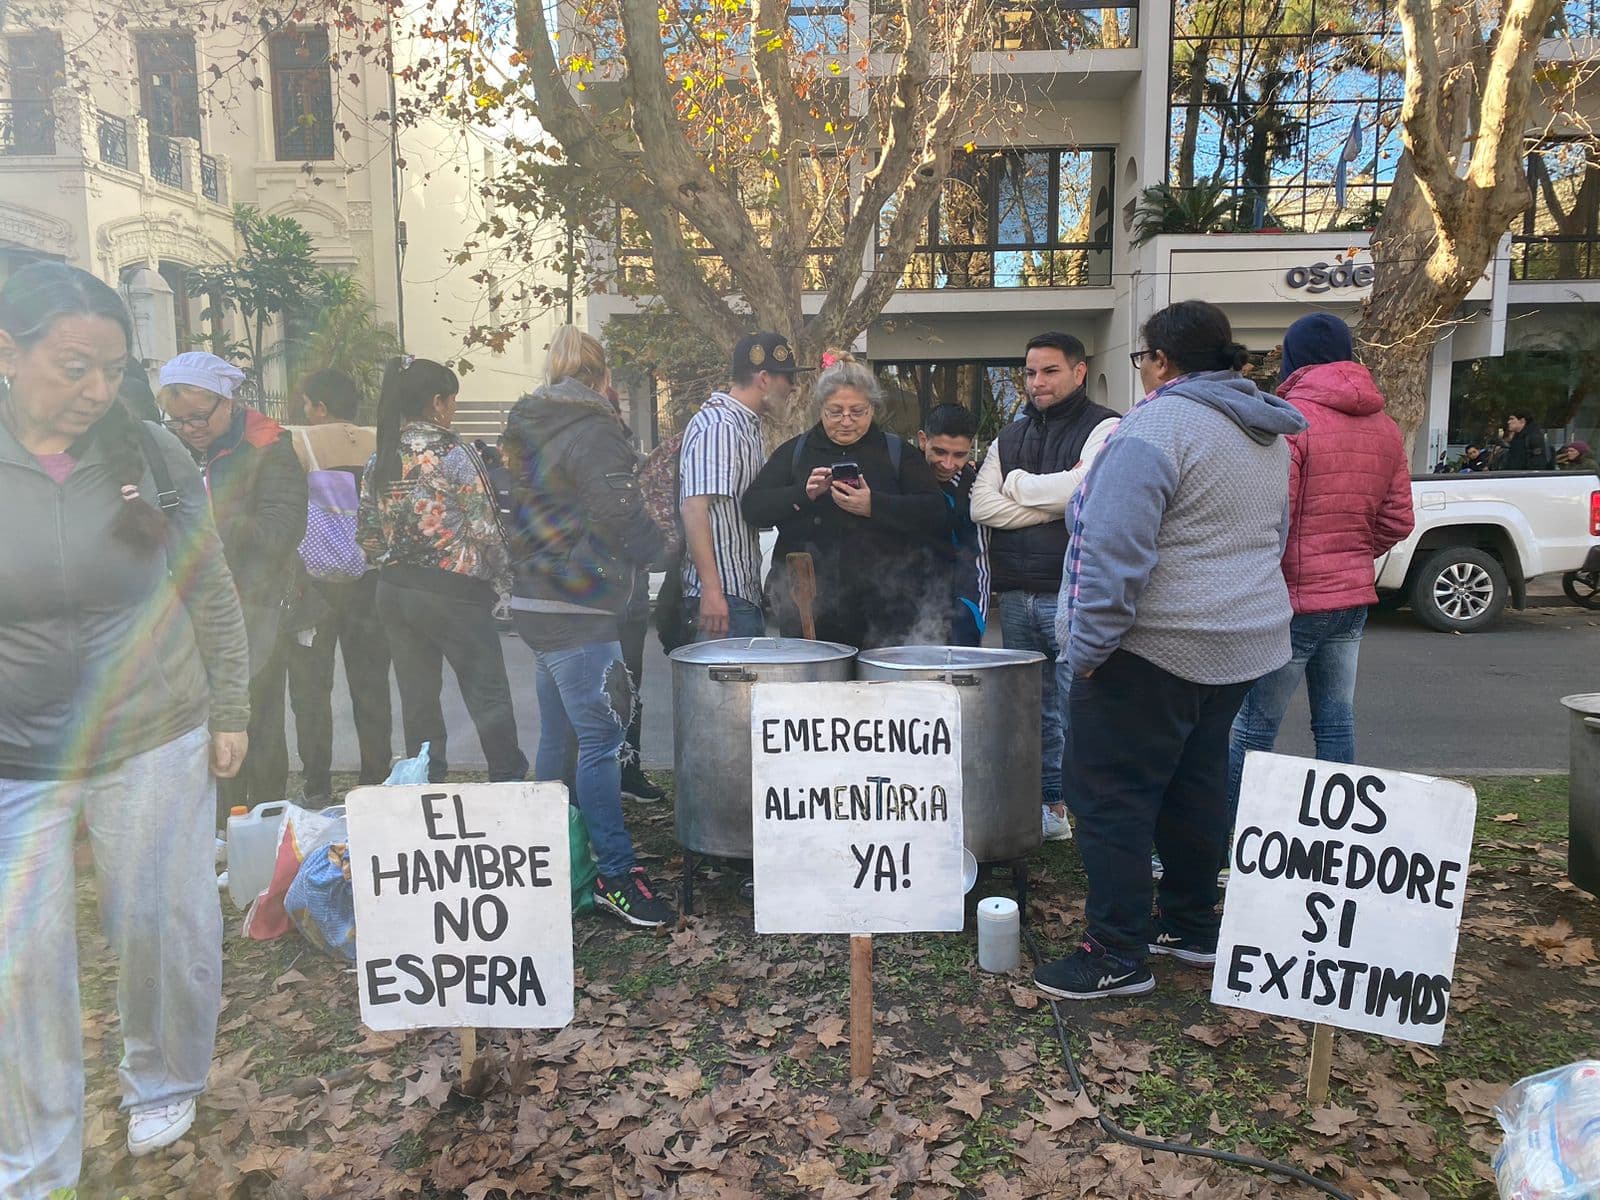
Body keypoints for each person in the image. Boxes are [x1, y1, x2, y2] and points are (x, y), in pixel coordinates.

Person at [0, 263, 249, 1192]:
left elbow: (209, 582)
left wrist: (234, 705)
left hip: (152, 727)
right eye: (73, 368)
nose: (96, 391)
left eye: (111, 369)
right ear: (7, 353)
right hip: (14, 748)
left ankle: (162, 1076)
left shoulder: (146, 452)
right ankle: (34, 1155)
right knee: (18, 963)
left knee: (158, 923)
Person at [1034, 299, 1305, 1001]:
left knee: (1107, 796)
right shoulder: (1264, 432)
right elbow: (1267, 537)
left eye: (1144, 358)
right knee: (1194, 783)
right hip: (1242, 645)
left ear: (1160, 361)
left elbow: (1111, 550)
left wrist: (1087, 649)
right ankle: (1191, 923)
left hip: (1154, 648)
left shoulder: (1154, 427)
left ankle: (1115, 950)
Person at [505, 328, 672, 926]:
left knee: (559, 737)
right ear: (605, 381)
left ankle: (544, 862)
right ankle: (616, 875)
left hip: (535, 600)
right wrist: (660, 550)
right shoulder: (595, 429)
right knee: (601, 742)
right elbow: (617, 508)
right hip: (579, 606)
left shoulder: (527, 427)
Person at [1225, 313, 1414, 822]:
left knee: (1252, 727)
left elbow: (1271, 519)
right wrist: (1350, 552)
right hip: (1352, 596)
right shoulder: (1386, 426)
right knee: (1336, 722)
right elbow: (1398, 520)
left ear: (1292, 358)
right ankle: (1337, 840)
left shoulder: (1289, 421)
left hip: (1292, 600)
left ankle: (1225, 843)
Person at [970, 332, 1118, 842]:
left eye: (1050, 371)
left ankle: (1095, 816)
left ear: (1079, 371)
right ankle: (1051, 811)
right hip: (1015, 596)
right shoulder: (1009, 437)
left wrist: (1017, 485)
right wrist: (1052, 500)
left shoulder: (1107, 426)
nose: (1038, 382)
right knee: (1032, 713)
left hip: (1072, 594)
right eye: (1031, 372)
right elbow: (979, 507)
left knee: (1084, 709)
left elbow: (1086, 489)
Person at [357, 356, 526, 784]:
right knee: (486, 692)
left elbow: (368, 533)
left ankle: (424, 783)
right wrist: (502, 577)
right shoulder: (454, 453)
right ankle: (507, 779)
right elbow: (487, 527)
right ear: (437, 402)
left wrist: (392, 560)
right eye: (452, 400)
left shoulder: (381, 456)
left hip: (394, 591)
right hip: (454, 592)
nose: (453, 409)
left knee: (418, 700)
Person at [159, 351, 307, 823]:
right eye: (178, 420)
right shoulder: (169, 448)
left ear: (228, 402)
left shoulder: (268, 445)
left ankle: (262, 820)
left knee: (257, 720)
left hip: (256, 603)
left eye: (199, 417)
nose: (189, 428)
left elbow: (282, 532)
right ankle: (218, 822)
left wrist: (206, 519)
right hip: (185, 608)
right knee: (195, 721)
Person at [743, 353, 946, 647]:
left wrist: (874, 505)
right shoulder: (795, 452)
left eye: (857, 411)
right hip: (806, 608)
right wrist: (803, 493)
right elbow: (753, 508)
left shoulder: (896, 452)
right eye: (835, 412)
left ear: (873, 408)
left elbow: (936, 512)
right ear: (821, 409)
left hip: (885, 610)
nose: (846, 421)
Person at [281, 368, 393, 805]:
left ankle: (317, 782)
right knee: (371, 683)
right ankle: (376, 777)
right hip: (370, 577)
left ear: (319, 406)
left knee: (310, 688)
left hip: (314, 585)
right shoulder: (378, 441)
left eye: (306, 404)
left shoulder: (299, 442)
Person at [679, 332, 805, 642]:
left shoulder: (747, 426)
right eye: (787, 378)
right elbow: (694, 508)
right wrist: (711, 590)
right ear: (764, 378)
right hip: (722, 600)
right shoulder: (721, 426)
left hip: (739, 596)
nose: (793, 387)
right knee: (727, 692)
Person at [918, 403, 990, 646]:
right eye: (939, 451)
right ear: (922, 440)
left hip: (956, 614)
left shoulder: (974, 488)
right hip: (900, 606)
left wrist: (973, 617)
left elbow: (979, 561)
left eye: (959, 455)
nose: (948, 464)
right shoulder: (901, 478)